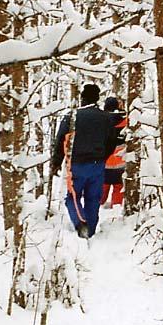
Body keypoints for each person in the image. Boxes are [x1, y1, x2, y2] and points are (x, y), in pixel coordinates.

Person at [51, 84, 117, 238]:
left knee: (72, 198)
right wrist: (102, 157)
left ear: (83, 98)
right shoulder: (106, 118)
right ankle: (91, 229)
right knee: (93, 198)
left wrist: (56, 162)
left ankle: (81, 224)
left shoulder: (72, 116)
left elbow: (61, 139)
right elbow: (112, 141)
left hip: (76, 165)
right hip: (98, 165)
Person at [101, 97, 127, 208]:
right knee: (118, 188)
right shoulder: (125, 120)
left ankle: (97, 207)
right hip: (120, 161)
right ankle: (115, 210)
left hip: (104, 162)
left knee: (102, 189)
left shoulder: (100, 121)